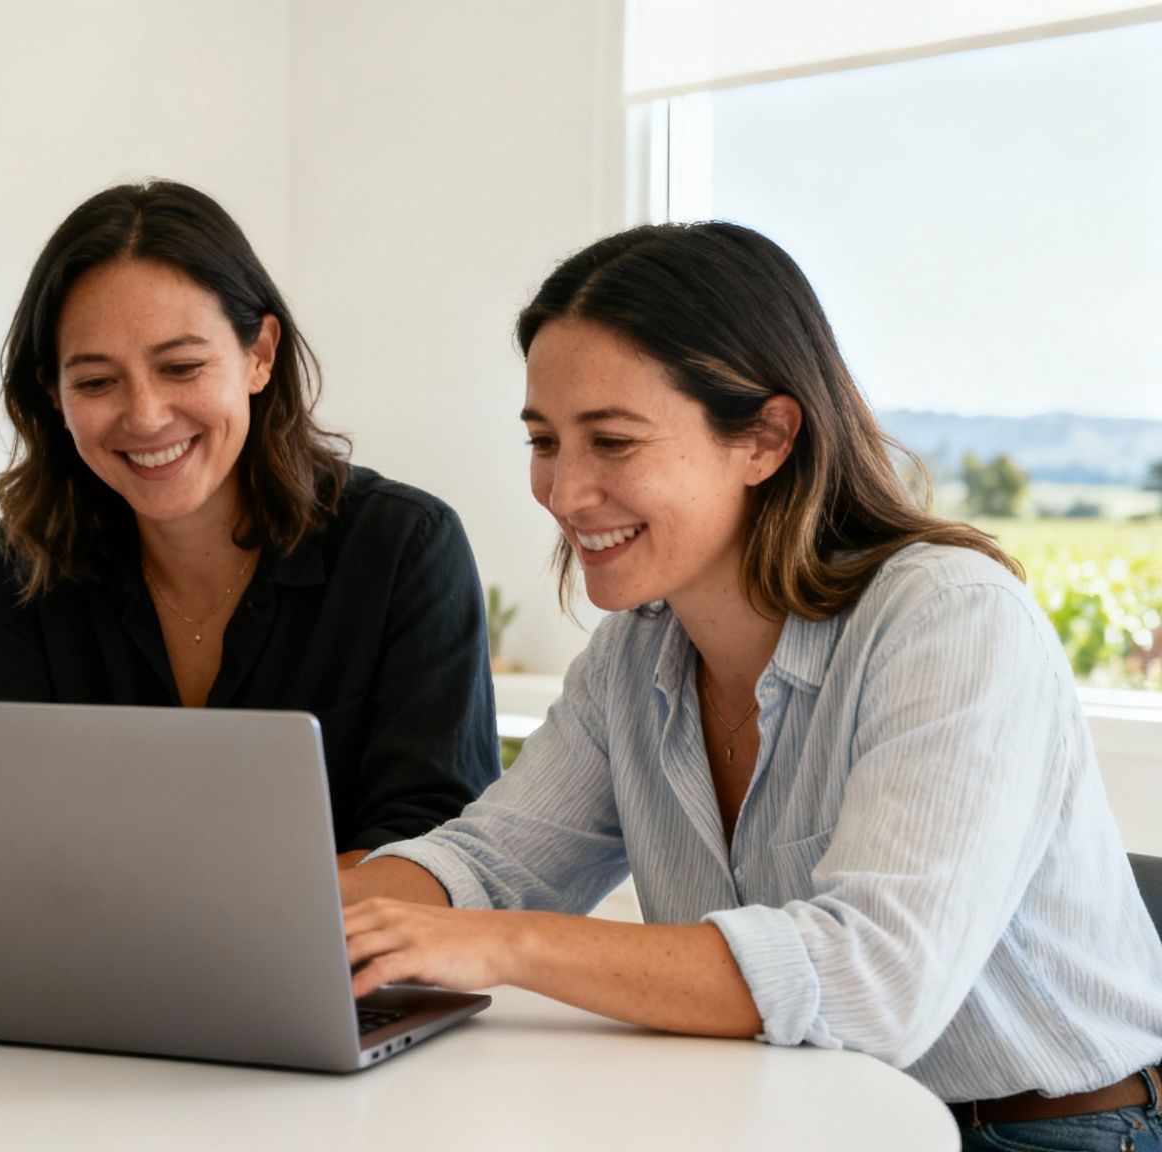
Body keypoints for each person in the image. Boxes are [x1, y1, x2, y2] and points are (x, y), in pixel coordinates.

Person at [340, 221, 1162, 1148]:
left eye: (611, 440)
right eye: (544, 440)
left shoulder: (950, 619)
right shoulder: (634, 657)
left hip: (1038, 1133)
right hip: (791, 1116)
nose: (564, 492)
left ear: (766, 438)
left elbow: (875, 980)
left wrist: (509, 944)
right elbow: (488, 867)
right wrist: (299, 921)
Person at [0, 181, 498, 859]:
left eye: (181, 367)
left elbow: (436, 848)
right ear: (52, 394)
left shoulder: (403, 548)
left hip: (341, 967)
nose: (145, 416)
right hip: (84, 963)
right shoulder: (18, 568)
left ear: (260, 355)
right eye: (95, 382)